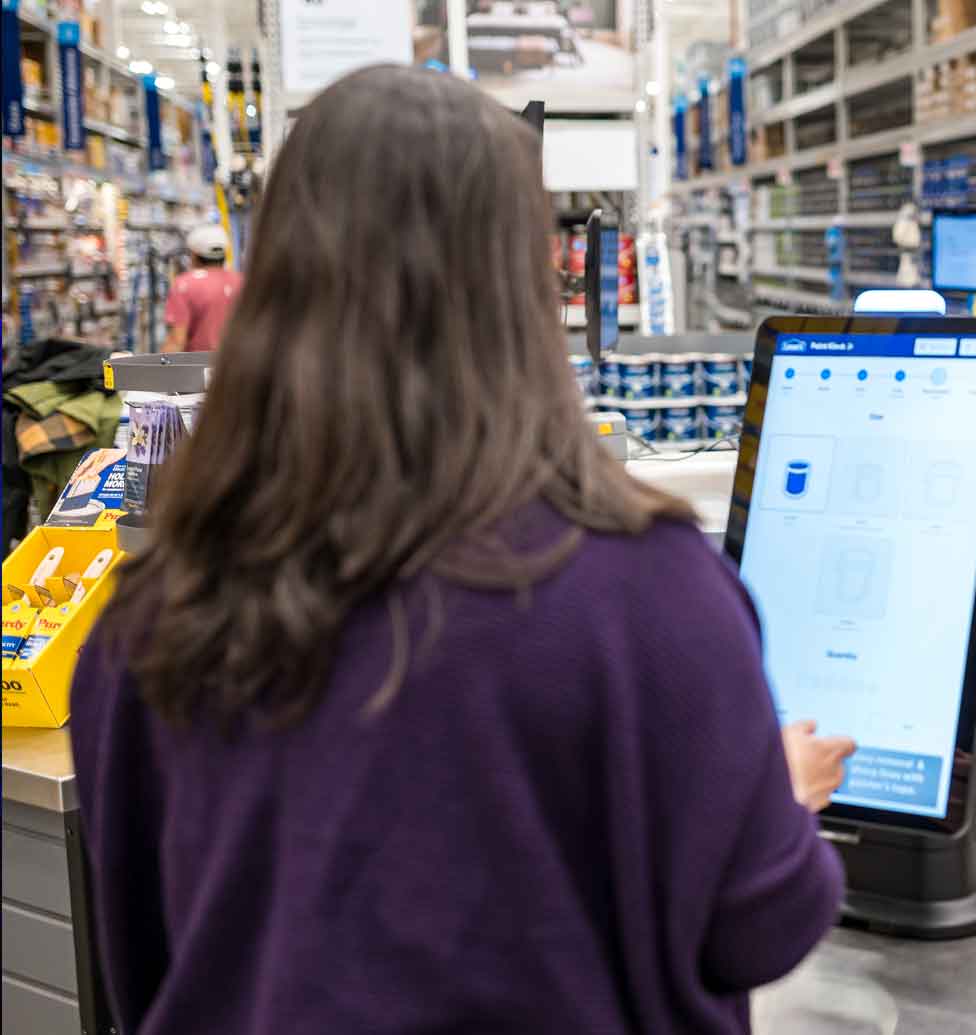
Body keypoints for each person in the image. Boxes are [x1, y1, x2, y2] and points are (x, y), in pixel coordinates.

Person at [71, 65, 854, 1034]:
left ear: (273, 282)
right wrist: (776, 800)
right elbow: (758, 928)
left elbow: (144, 967)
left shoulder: (154, 616)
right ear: (523, 287)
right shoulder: (648, 592)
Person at [162, 224, 243, 352]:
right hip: (239, 361)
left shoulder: (184, 285)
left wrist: (158, 363)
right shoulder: (241, 282)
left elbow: (177, 341)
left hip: (199, 363)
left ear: (194, 254)